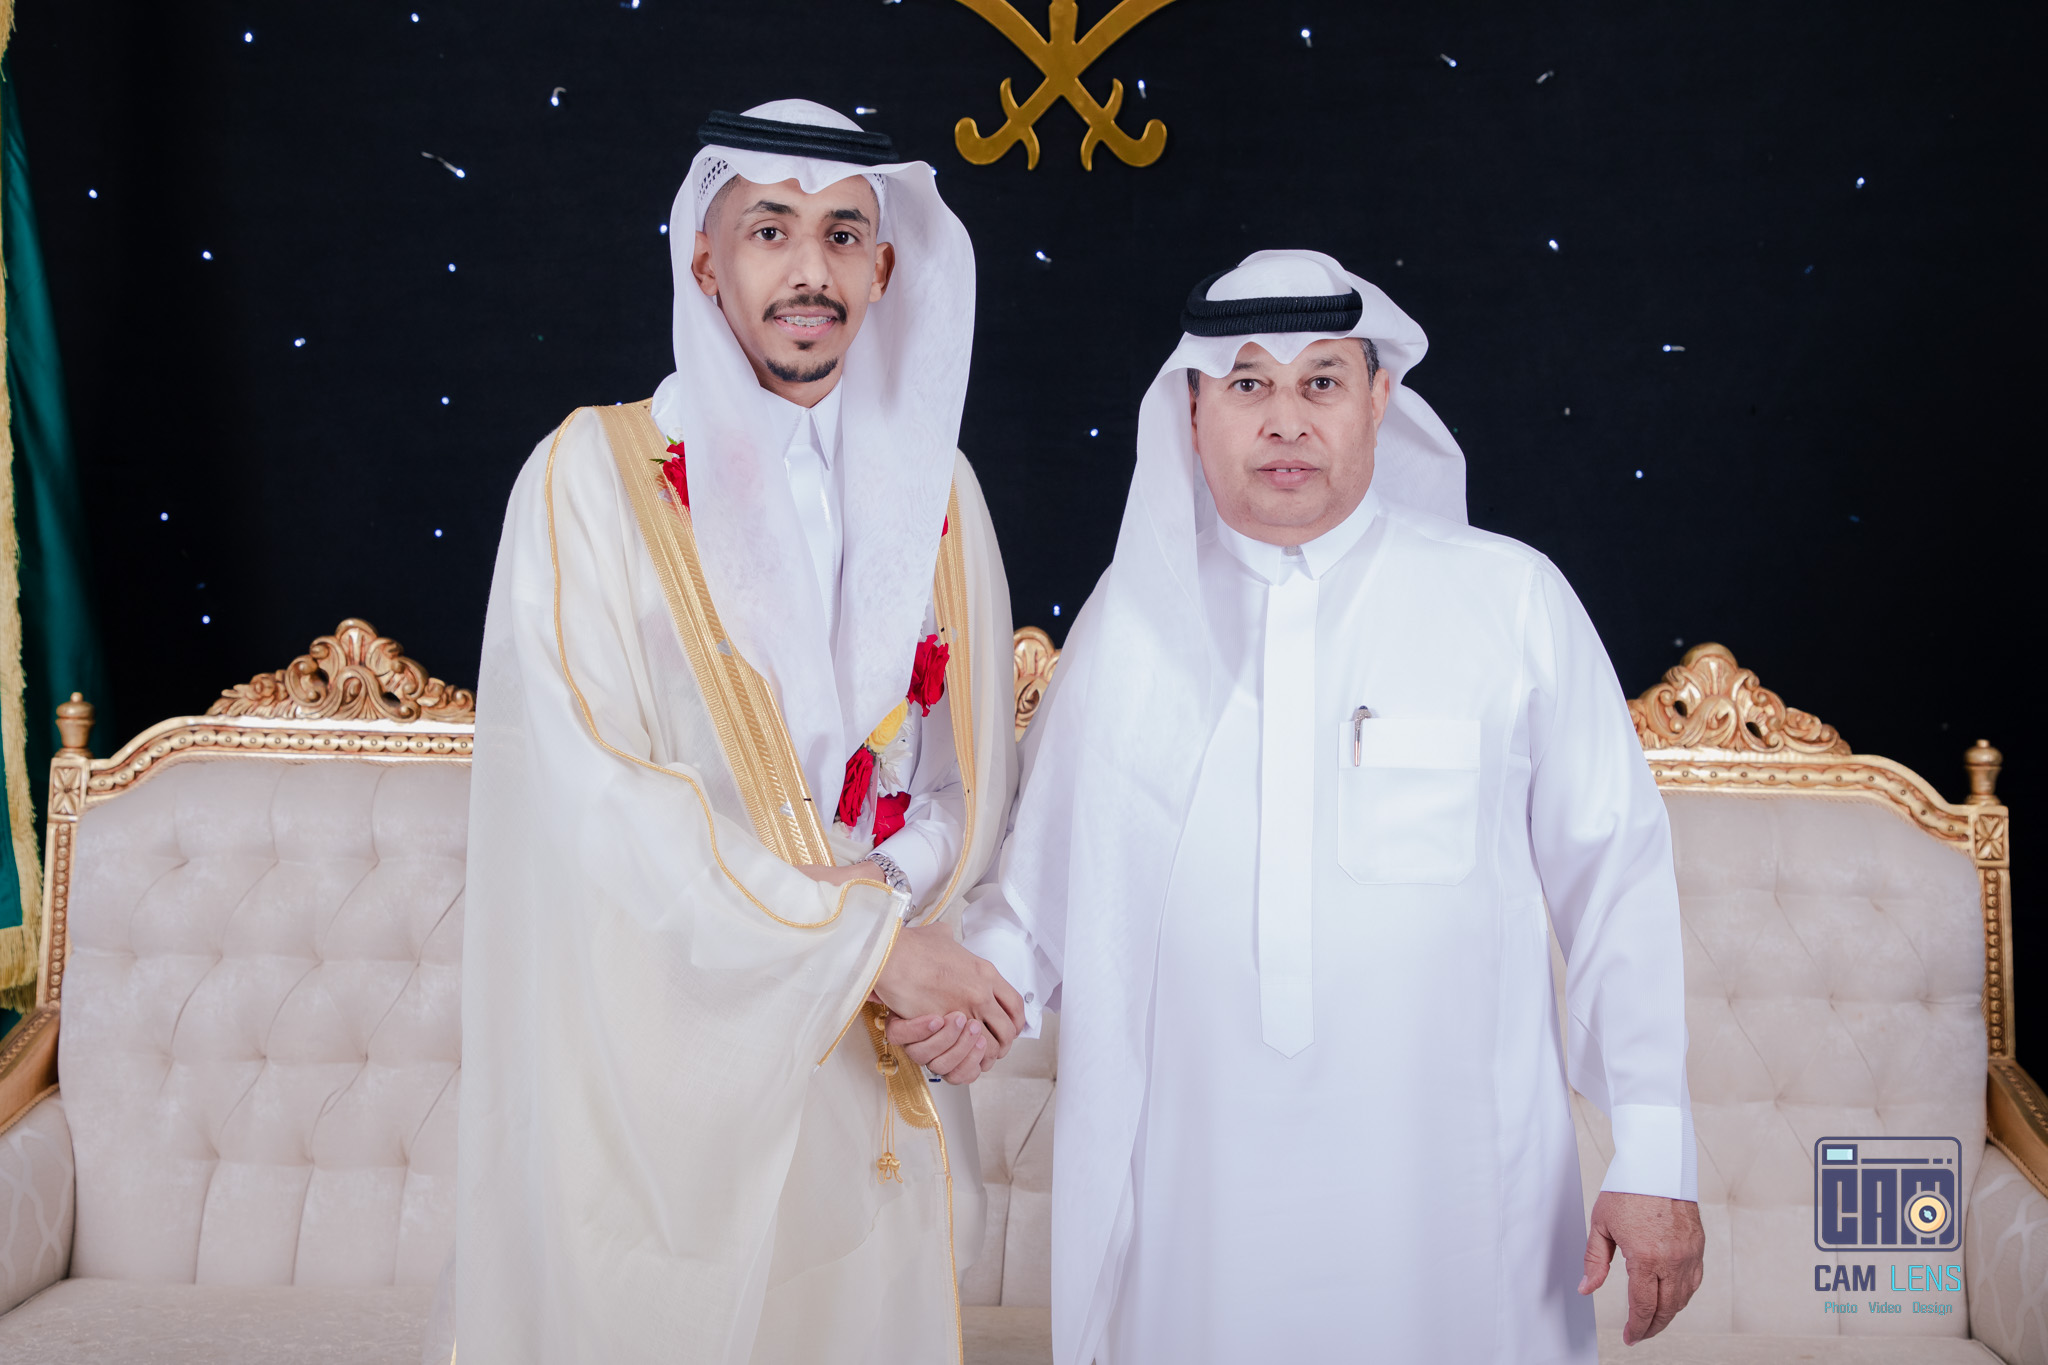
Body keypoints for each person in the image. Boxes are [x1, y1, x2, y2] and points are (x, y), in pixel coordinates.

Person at [964, 249, 1705, 1364]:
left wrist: (1652, 1153)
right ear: (1194, 409)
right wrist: (951, 1001)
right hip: (1195, 1215)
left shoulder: (1508, 600)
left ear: (1378, 399)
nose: (1285, 420)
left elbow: (1618, 885)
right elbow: (1040, 901)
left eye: (1320, 381)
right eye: (1247, 383)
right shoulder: (1132, 621)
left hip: (1456, 1210)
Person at [449, 101, 1027, 1364]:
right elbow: (593, 796)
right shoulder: (588, 477)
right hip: (671, 1060)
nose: (809, 270)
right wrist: (866, 944)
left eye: (842, 235)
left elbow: (966, 784)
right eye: (769, 231)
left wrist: (902, 932)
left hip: (875, 1054)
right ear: (704, 262)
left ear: (886, 268)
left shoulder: (942, 491)